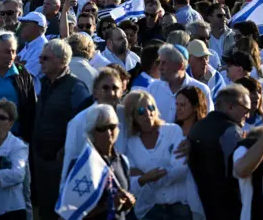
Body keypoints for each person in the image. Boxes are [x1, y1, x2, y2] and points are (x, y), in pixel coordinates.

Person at [123, 90, 203, 220]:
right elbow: (130, 183)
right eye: (141, 111)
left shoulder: (173, 131)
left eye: (151, 107)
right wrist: (144, 179)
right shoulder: (130, 143)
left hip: (180, 208)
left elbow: (181, 168)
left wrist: (148, 178)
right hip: (150, 210)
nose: (148, 114)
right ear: (133, 116)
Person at [33, 39, 90, 220]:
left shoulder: (76, 88)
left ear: (61, 60)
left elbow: (83, 125)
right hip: (41, 159)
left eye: (45, 58)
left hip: (61, 162)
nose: (40, 61)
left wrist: (65, 151)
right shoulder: (45, 83)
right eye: (41, 57)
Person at [188, 84, 251, 220]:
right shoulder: (231, 132)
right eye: (245, 109)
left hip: (199, 205)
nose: (248, 115)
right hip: (227, 208)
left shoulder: (197, 127)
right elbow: (238, 174)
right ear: (231, 107)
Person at [62, 104, 135, 220]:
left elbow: (124, 208)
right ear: (92, 132)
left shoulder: (123, 161)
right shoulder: (81, 166)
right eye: (101, 128)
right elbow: (69, 214)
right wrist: (107, 205)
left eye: (112, 127)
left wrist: (128, 203)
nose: (108, 133)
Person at [147, 44, 213, 122]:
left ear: (180, 66)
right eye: (159, 62)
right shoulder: (153, 88)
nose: (160, 68)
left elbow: (207, 122)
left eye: (164, 63)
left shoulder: (201, 90)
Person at [16, 11, 48, 94]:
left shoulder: (42, 48)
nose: (21, 27)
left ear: (35, 27)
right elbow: (16, 66)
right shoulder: (30, 45)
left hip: (33, 98)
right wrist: (18, 65)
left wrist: (17, 65)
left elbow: (26, 73)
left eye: (24, 24)